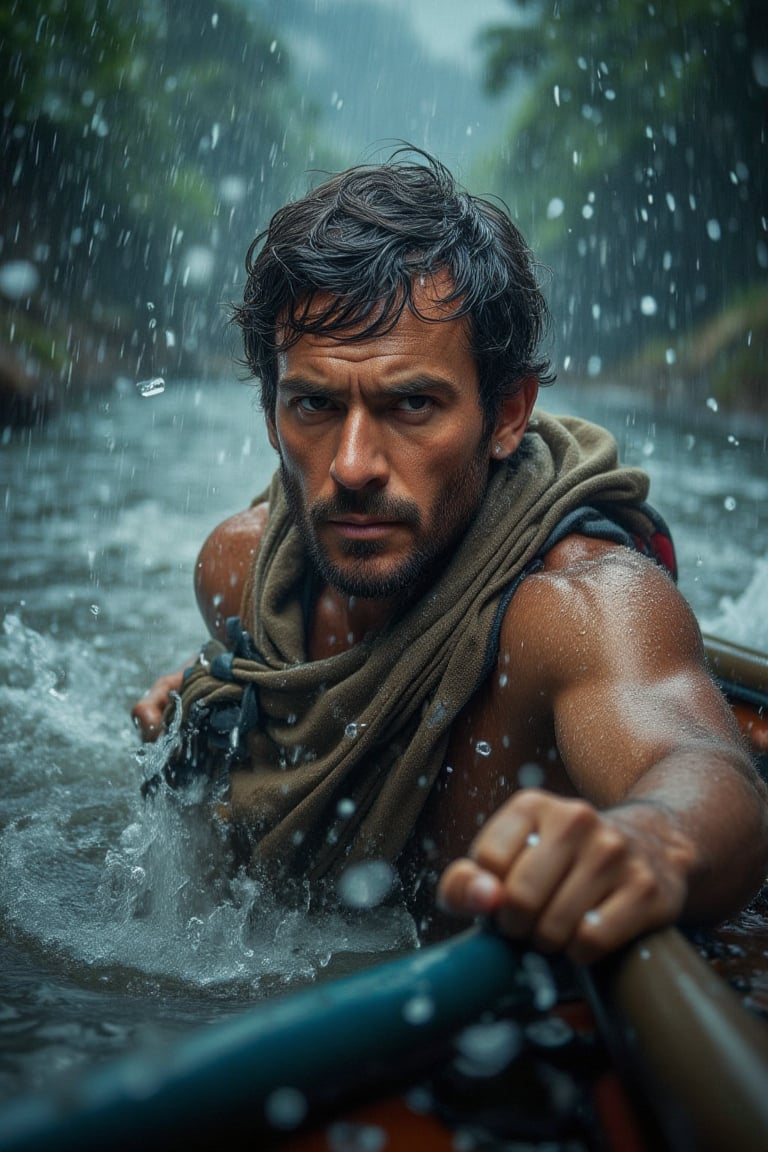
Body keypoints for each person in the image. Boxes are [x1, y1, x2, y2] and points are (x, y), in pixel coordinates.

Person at [132, 149, 768, 964]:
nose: (354, 464)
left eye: (412, 404)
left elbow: (706, 771)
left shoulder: (574, 611)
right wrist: (200, 694)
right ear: (270, 416)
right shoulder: (239, 572)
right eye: (315, 404)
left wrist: (649, 841)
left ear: (507, 414)